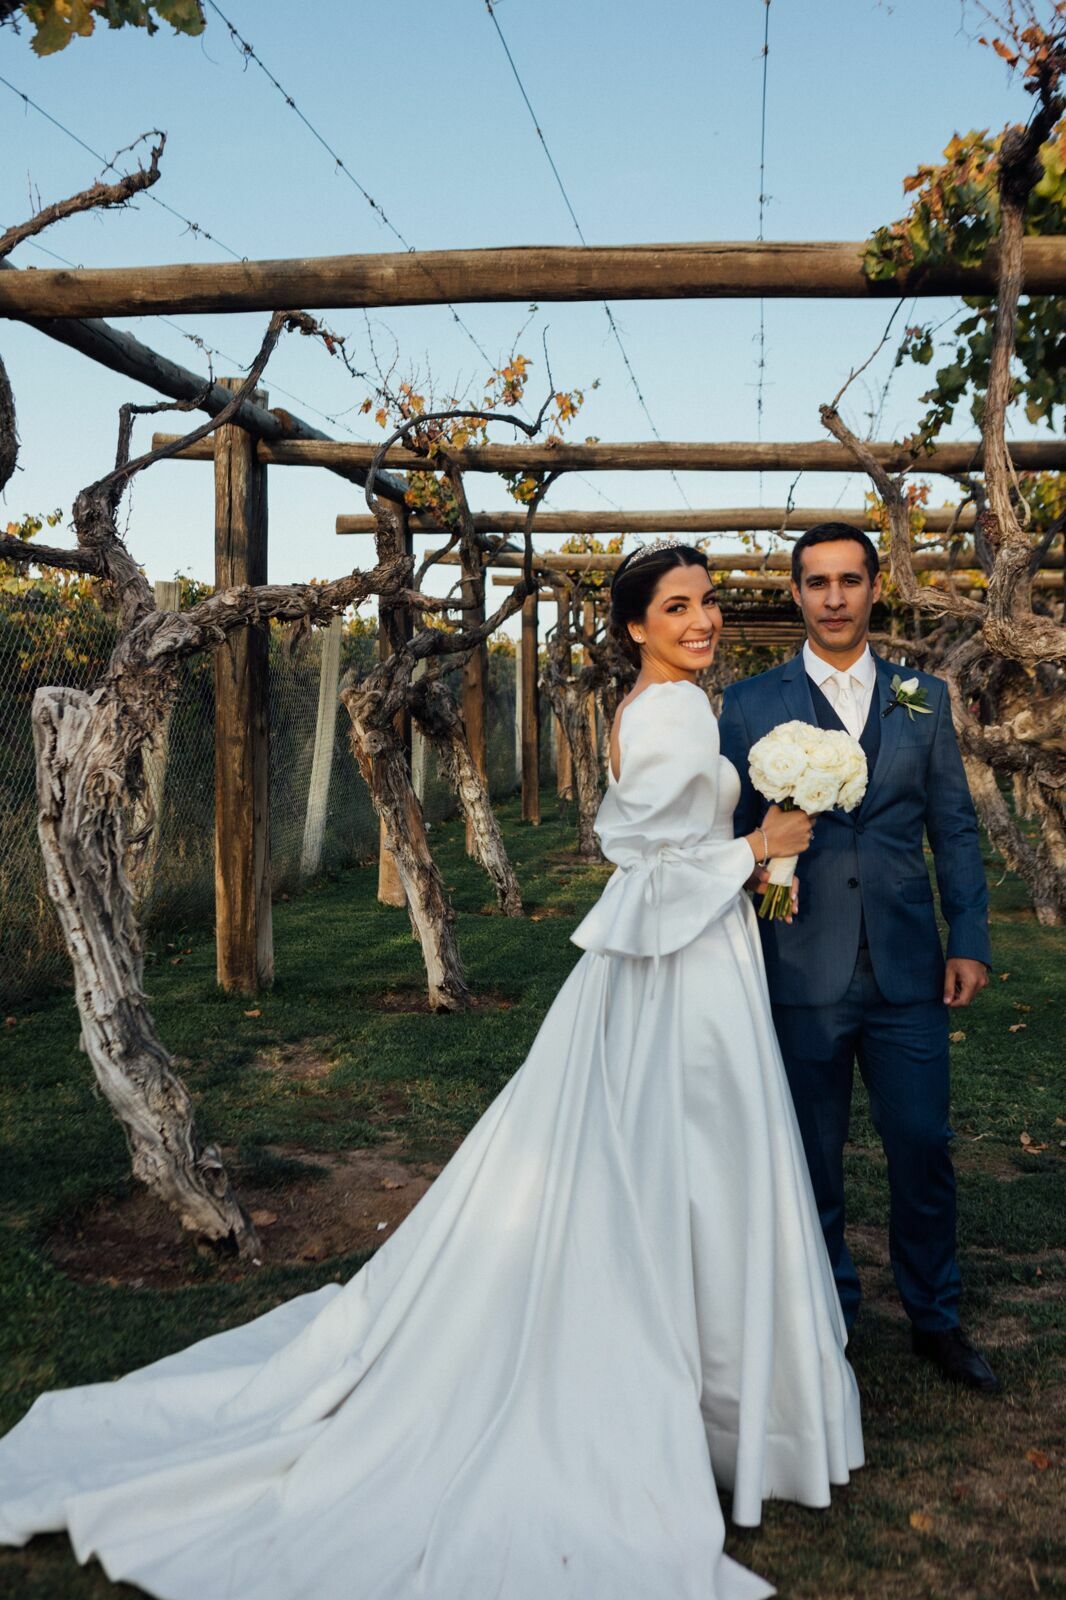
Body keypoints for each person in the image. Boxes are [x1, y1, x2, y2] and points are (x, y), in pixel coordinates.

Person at [0, 541, 862, 1600]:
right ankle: (710, 1399)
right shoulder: (675, 711)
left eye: (709, 601)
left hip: (688, 956)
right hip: (682, 970)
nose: (703, 619)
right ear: (635, 625)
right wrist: (757, 846)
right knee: (695, 1162)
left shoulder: (656, 704)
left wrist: (753, 852)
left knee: (660, 1165)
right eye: (677, 606)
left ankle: (701, 1386)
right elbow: (645, 872)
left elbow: (656, 855)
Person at [719, 522, 997, 1394]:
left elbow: (953, 827)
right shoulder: (750, 703)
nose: (834, 598)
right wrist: (763, 874)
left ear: (876, 588)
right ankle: (824, 1316)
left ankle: (936, 1318)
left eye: (850, 580)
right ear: (796, 593)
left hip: (909, 966)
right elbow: (731, 835)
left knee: (923, 1146)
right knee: (811, 1157)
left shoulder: (924, 697)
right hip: (799, 965)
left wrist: (970, 937)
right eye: (817, 581)